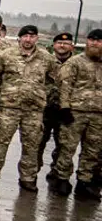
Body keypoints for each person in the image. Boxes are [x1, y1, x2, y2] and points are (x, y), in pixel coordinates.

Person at [0, 24, 54, 191]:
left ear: (37, 38)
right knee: (0, 141)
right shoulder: (6, 55)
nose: (28, 39)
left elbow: (53, 80)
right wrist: (1, 95)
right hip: (9, 107)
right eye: (25, 36)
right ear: (19, 38)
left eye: (32, 36)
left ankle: (28, 178)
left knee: (31, 145)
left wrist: (41, 94)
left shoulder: (46, 58)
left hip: (34, 110)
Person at [53, 29, 102, 199]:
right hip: (76, 112)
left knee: (92, 151)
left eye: (98, 40)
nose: (95, 43)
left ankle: (84, 182)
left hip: (98, 115)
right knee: (67, 147)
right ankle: (62, 178)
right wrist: (65, 108)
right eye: (91, 40)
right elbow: (65, 86)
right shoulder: (75, 62)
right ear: (86, 42)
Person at [42, 31, 76, 176]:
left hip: (66, 111)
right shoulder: (45, 61)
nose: (62, 45)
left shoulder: (76, 64)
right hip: (45, 108)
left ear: (72, 46)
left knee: (64, 145)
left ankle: (58, 173)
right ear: (54, 45)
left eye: (66, 43)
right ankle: (30, 174)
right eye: (59, 43)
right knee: (37, 143)